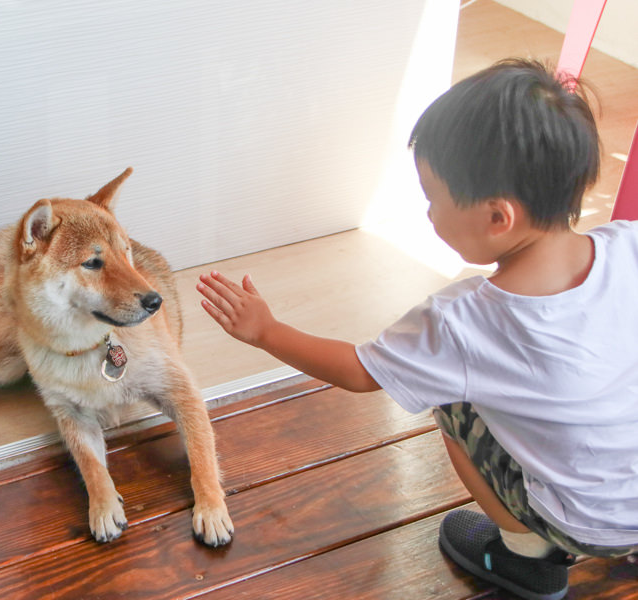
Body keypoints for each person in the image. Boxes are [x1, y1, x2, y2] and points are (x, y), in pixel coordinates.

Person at [196, 58, 638, 600]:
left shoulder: (463, 322)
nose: (428, 212)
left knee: (453, 404)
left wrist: (266, 330)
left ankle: (527, 558)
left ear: (499, 218)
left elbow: (361, 372)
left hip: (586, 522)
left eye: (433, 198)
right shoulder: (628, 247)